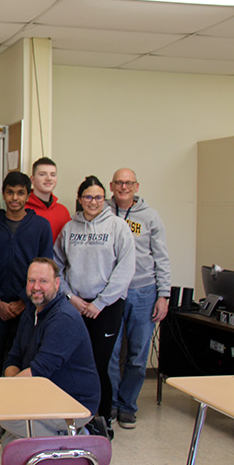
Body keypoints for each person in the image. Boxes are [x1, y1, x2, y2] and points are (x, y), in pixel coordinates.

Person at [53, 175, 135, 437]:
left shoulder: (118, 227)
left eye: (98, 197)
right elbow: (58, 267)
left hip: (106, 307)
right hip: (75, 306)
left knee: (100, 364)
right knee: (72, 363)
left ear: (105, 199)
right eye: (88, 197)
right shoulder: (69, 228)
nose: (93, 202)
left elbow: (125, 269)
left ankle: (102, 418)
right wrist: (70, 297)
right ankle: (73, 418)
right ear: (80, 199)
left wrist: (100, 303)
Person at [0, 171, 53, 445]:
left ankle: (20, 419)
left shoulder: (41, 226)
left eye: (21, 193)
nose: (15, 198)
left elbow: (45, 267)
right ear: (3, 193)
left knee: (23, 363)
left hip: (28, 309)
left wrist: (25, 300)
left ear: (28, 194)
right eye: (10, 192)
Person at [0, 258, 99, 442]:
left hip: (73, 402)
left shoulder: (63, 318)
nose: (36, 287)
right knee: (9, 434)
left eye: (43, 281)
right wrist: (10, 388)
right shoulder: (31, 312)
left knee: (4, 415)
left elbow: (40, 371)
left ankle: (73, 438)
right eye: (31, 281)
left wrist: (7, 394)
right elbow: (13, 357)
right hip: (42, 394)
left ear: (57, 283)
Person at [107, 168, 171, 430]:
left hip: (144, 291)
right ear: (111, 186)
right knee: (110, 352)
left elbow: (162, 257)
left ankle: (127, 406)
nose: (123, 187)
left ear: (136, 186)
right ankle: (109, 403)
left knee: (137, 353)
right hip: (111, 291)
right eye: (119, 183)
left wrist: (163, 295)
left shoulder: (151, 216)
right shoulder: (103, 211)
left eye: (128, 183)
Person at [25, 157, 71, 243]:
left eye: (53, 175)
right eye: (42, 174)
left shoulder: (63, 211)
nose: (49, 178)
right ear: (32, 180)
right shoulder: (22, 210)